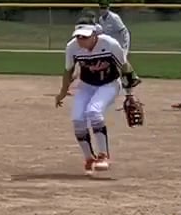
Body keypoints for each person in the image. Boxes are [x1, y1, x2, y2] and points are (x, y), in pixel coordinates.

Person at [55, 22, 130, 174]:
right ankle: (89, 158)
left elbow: (125, 68)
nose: (81, 40)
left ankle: (103, 155)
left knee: (94, 111)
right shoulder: (72, 47)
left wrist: (130, 94)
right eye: (78, 36)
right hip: (86, 85)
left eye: (85, 36)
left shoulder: (110, 44)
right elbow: (68, 70)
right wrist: (63, 92)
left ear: (94, 35)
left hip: (109, 84)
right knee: (77, 119)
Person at [96, 5, 141, 89]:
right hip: (113, 42)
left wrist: (123, 45)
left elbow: (123, 31)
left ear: (108, 8)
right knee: (118, 60)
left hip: (122, 40)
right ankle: (132, 78)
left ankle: (132, 78)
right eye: (101, 8)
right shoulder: (101, 19)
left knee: (122, 58)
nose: (102, 10)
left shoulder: (114, 17)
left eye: (104, 8)